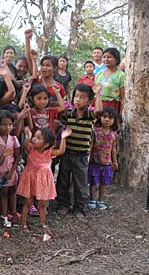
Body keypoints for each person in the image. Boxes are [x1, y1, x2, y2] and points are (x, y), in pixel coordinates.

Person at [17, 126, 72, 241]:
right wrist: (27, 135)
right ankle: (23, 223)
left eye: (38, 138)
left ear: (46, 144)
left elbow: (61, 151)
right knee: (28, 201)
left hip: (42, 180)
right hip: (30, 178)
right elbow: (25, 145)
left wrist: (64, 138)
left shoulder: (49, 152)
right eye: (34, 136)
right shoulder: (31, 149)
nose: (34, 139)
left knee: (42, 203)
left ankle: (42, 223)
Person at [56, 83, 102, 217]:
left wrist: (98, 94)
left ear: (89, 101)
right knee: (63, 180)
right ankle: (63, 204)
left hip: (81, 155)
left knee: (80, 183)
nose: (77, 99)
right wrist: (58, 93)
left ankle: (80, 208)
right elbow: (61, 113)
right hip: (67, 153)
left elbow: (99, 111)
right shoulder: (69, 114)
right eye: (76, 96)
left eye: (82, 97)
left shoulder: (89, 114)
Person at [0, 110, 21, 229]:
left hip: (10, 172)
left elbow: (17, 157)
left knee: (8, 192)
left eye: (10, 124)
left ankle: (8, 214)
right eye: (4, 124)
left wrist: (12, 171)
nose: (7, 127)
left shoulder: (13, 139)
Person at [88, 107, 119, 210]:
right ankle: (92, 199)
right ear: (100, 117)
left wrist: (114, 162)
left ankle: (100, 200)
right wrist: (88, 157)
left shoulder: (114, 135)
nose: (107, 119)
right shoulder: (95, 131)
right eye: (104, 117)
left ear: (114, 120)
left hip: (107, 163)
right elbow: (91, 145)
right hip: (94, 161)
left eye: (110, 118)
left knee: (104, 182)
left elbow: (113, 149)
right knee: (93, 181)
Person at [95, 47, 125, 115]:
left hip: (113, 108)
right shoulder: (99, 74)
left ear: (116, 59)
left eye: (109, 57)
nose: (106, 59)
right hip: (99, 106)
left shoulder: (121, 75)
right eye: (104, 57)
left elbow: (123, 98)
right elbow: (96, 93)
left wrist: (120, 114)